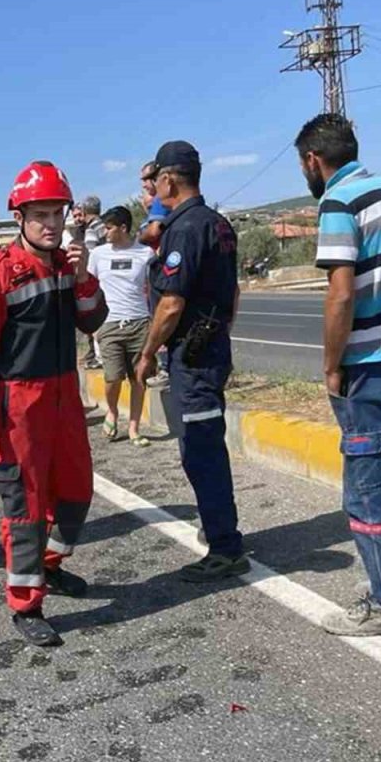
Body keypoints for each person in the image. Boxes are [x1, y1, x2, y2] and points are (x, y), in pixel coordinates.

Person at [296, 115, 381, 637]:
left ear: (313, 159)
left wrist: (332, 364)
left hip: (371, 363)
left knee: (369, 486)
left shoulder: (338, 201)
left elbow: (342, 294)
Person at [0, 161, 108, 647]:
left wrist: (84, 274)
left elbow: (92, 321)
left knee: (76, 492)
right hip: (19, 404)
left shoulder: (67, 267)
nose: (50, 223)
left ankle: (47, 567)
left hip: (65, 394)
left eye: (57, 213)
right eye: (40, 214)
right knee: (26, 506)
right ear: (20, 218)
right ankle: (26, 603)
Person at [135, 141, 249, 582]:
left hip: (194, 357)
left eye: (155, 180)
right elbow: (233, 293)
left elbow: (170, 303)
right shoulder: (217, 223)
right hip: (213, 348)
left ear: (168, 180)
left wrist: (147, 354)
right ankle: (219, 529)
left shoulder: (182, 230)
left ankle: (225, 547)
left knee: (201, 451)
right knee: (205, 445)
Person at [88, 206, 156, 446]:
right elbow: (89, 289)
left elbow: (154, 290)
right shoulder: (98, 255)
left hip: (139, 323)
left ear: (123, 228)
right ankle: (112, 411)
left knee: (138, 378)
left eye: (108, 228)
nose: (105, 233)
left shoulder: (145, 254)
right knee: (112, 377)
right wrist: (93, 326)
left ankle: (135, 428)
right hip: (109, 324)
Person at [137, 161, 170, 385]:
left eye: (147, 178)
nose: (144, 184)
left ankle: (165, 368)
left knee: (162, 314)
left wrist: (140, 235)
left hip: (164, 270)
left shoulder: (160, 201)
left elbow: (153, 231)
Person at [66, 195, 106, 370]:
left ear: (85, 212)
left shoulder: (91, 230)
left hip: (95, 280)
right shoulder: (104, 226)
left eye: (78, 215)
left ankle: (100, 357)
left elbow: (89, 258)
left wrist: (82, 275)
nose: (77, 219)